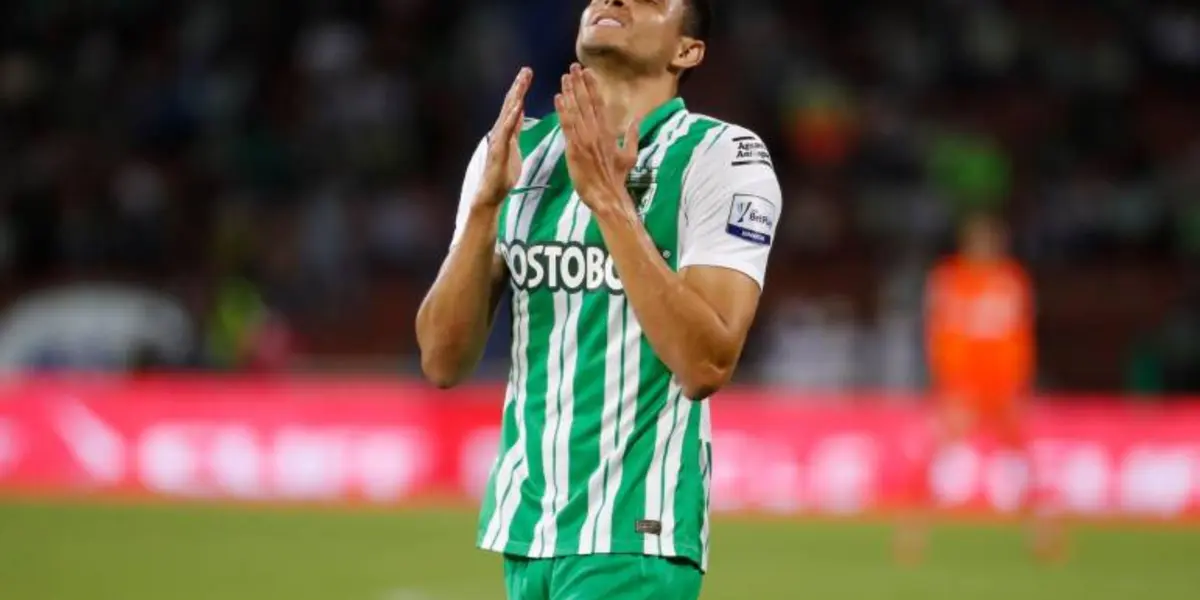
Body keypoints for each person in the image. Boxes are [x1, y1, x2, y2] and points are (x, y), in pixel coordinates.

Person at [416, 0, 781, 598]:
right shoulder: (513, 150)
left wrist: (611, 204)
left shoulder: (723, 158)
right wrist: (485, 208)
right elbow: (441, 360)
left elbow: (706, 363)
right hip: (526, 533)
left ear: (686, 50)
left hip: (636, 538)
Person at [895, 213, 1065, 564]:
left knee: (1021, 461)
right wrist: (948, 381)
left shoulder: (1011, 279)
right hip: (963, 386)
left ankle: (1043, 533)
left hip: (1004, 387)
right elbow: (938, 333)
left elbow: (1021, 336)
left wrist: (1021, 382)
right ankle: (912, 533)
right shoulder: (950, 279)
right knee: (938, 458)